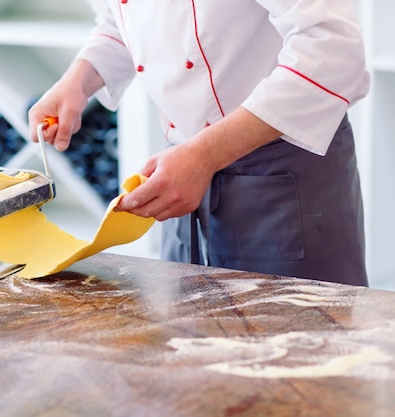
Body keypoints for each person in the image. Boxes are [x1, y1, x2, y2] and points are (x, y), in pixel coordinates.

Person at [28, 0, 370, 286]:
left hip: (284, 174)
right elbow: (124, 22)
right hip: (182, 175)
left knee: (305, 349)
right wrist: (78, 79)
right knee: (191, 345)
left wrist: (205, 154)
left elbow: (332, 48)